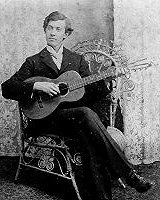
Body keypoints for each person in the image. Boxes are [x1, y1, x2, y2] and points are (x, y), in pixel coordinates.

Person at [1, 11, 154, 200]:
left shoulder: (77, 60)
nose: (53, 33)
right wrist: (36, 85)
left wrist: (108, 79)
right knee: (85, 114)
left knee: (88, 132)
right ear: (45, 31)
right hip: (46, 120)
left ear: (66, 34)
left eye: (58, 29)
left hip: (75, 120)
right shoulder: (33, 61)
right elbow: (7, 88)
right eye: (49, 28)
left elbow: (92, 93)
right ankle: (128, 173)